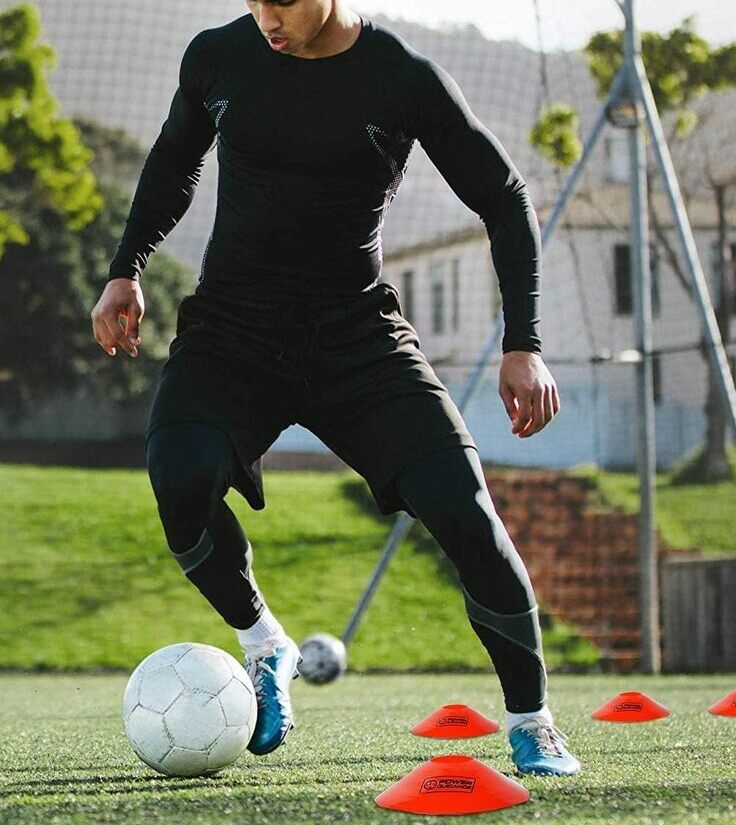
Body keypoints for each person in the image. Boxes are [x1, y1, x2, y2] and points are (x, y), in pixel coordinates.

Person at [89, 0, 579, 776]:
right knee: (178, 477)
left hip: (359, 343)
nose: (266, 16)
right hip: (232, 336)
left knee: (464, 507)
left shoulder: (402, 79)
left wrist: (525, 343)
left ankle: (532, 720)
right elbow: (176, 159)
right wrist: (128, 267)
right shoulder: (219, 56)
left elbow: (504, 195)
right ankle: (265, 645)